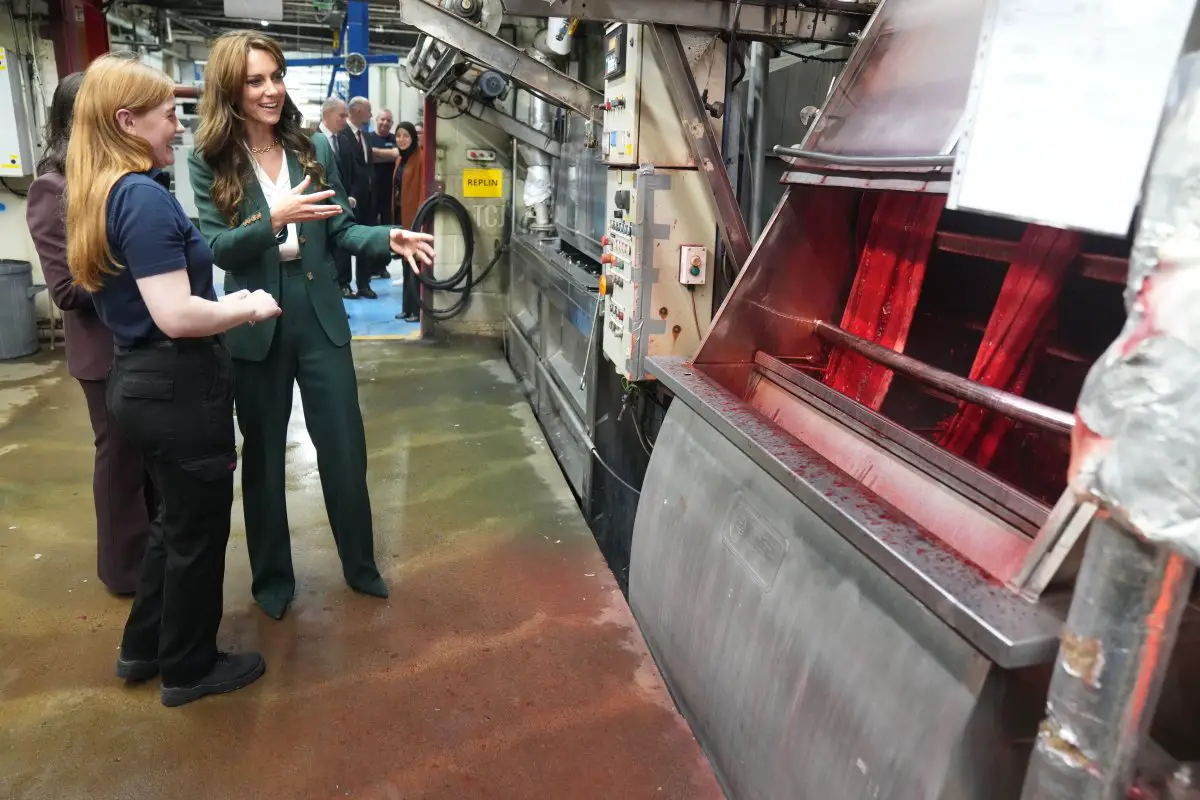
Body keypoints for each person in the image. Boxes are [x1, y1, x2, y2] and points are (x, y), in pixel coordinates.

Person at [188, 31, 434, 620]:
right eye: (255, 80)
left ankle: (360, 566)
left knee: (345, 447)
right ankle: (273, 582)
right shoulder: (209, 161)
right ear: (230, 88)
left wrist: (386, 237)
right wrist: (273, 219)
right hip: (254, 314)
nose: (271, 90)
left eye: (275, 76)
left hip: (319, 312)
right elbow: (216, 249)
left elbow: (341, 228)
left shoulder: (308, 150)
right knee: (266, 456)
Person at [65, 53, 281, 706]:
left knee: (171, 527)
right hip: (176, 386)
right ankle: (190, 668)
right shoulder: (141, 198)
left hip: (142, 381)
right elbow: (176, 313)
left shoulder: (103, 193)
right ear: (126, 120)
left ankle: (144, 647)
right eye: (166, 116)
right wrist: (245, 306)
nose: (176, 127)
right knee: (198, 533)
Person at [26, 72, 156, 597]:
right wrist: (142, 264)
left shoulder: (115, 180)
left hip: (140, 345)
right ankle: (124, 571)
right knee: (120, 462)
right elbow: (65, 289)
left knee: (145, 460)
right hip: (104, 355)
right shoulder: (50, 189)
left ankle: (150, 556)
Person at [336, 96, 379, 299]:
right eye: (368, 110)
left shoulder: (367, 137)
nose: (371, 114)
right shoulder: (341, 135)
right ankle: (344, 284)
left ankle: (364, 283)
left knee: (366, 243)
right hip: (350, 199)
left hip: (368, 200)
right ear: (358, 111)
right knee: (345, 242)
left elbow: (368, 168)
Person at [392, 121, 425, 323]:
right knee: (405, 266)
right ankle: (406, 308)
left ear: (413, 138)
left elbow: (422, 191)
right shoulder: (400, 160)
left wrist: (420, 221)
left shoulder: (420, 159)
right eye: (398, 136)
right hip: (400, 218)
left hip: (413, 220)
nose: (401, 140)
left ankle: (416, 310)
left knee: (414, 265)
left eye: (406, 136)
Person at [366, 108, 399, 280]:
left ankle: (382, 266)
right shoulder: (368, 138)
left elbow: (397, 155)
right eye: (382, 119)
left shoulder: (395, 139)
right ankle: (369, 266)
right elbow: (368, 156)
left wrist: (376, 153)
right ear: (376, 121)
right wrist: (387, 154)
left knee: (387, 230)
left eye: (388, 120)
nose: (385, 123)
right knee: (371, 230)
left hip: (390, 194)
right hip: (372, 193)